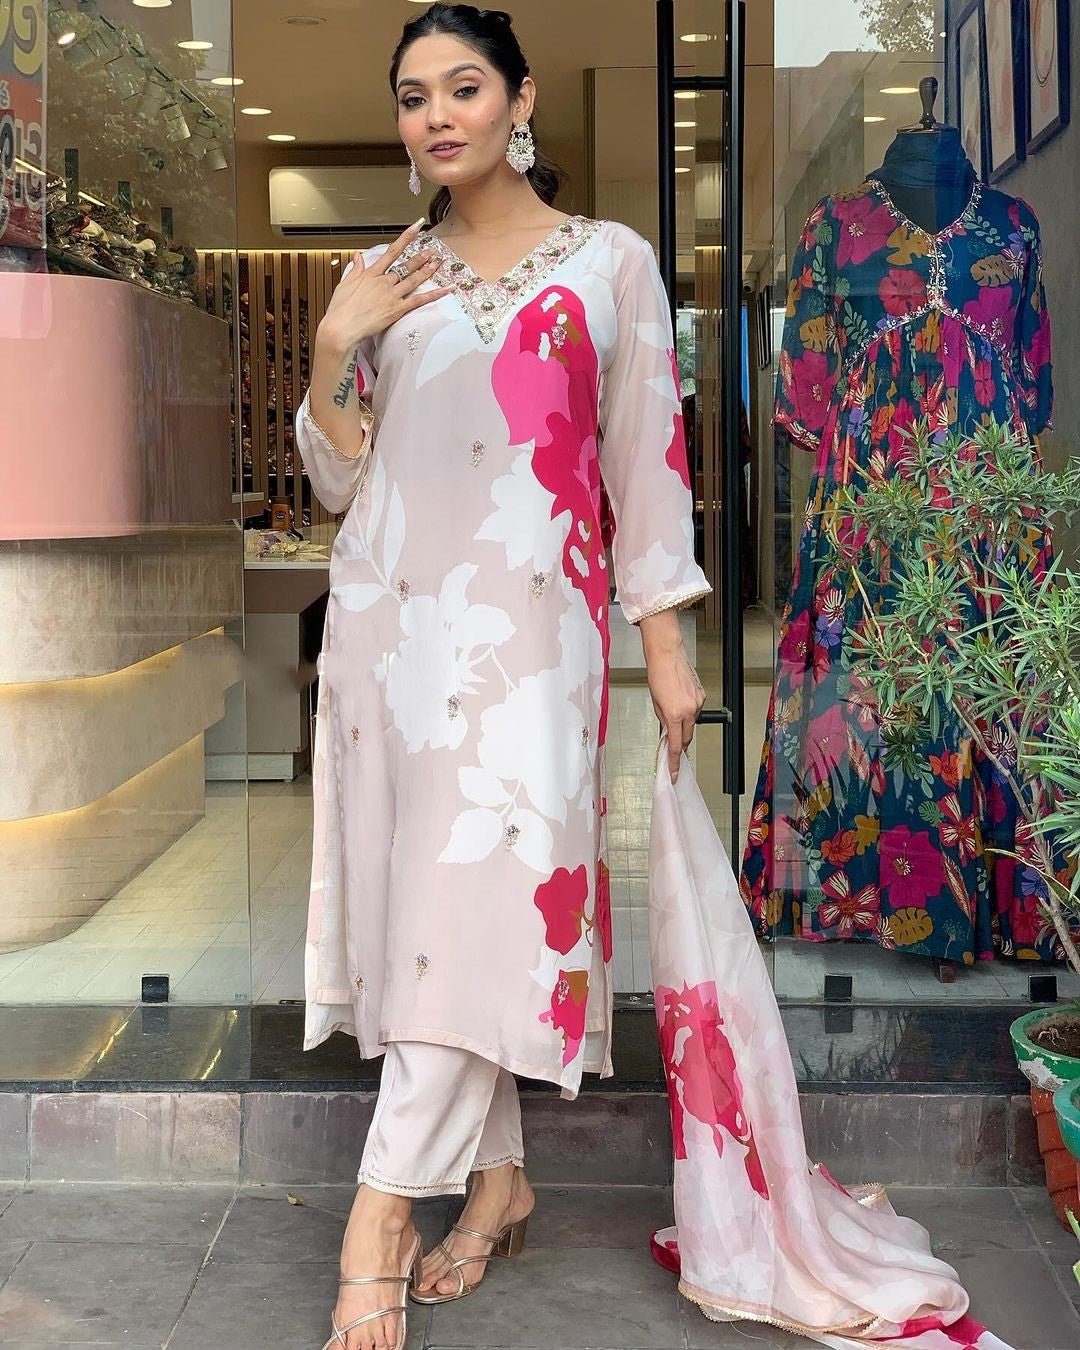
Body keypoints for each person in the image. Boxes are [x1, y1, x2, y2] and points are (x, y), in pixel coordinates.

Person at [295, 6, 711, 1348]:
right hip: (392, 637)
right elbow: (335, 475)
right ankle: (498, 1180)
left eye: (462, 87)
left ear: (519, 99)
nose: (436, 115)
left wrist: (668, 648)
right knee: (437, 918)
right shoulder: (381, 274)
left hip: (536, 648)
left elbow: (647, 461)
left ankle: (378, 1215)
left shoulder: (611, 262)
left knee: (487, 900)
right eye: (413, 96)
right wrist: (330, 347)